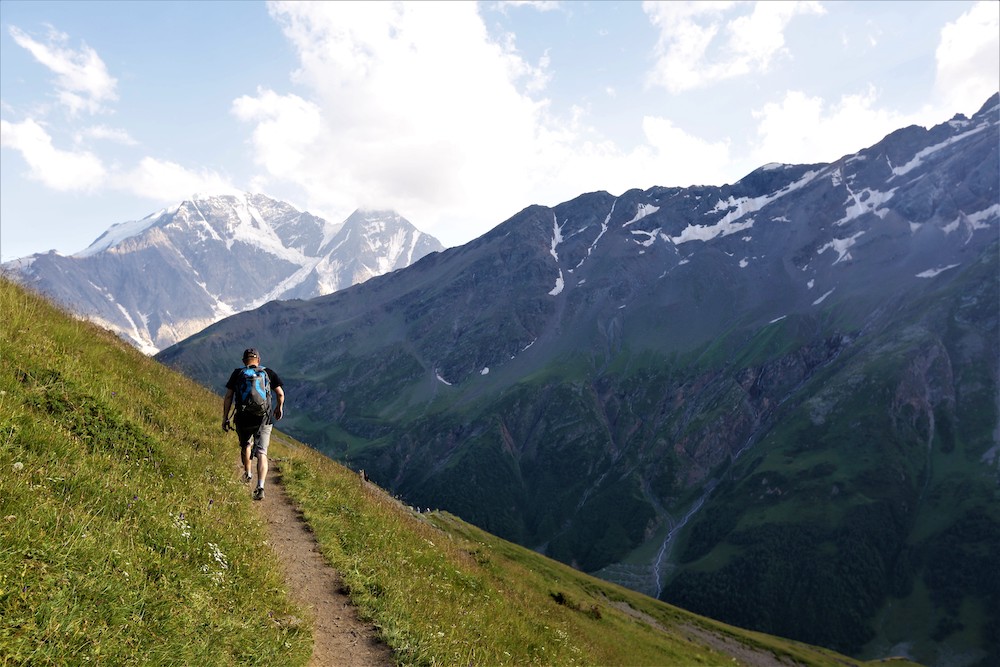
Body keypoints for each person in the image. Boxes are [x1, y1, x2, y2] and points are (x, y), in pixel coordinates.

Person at [222, 348, 285, 500]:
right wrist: (279, 408)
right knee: (262, 452)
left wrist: (225, 417)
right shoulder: (268, 372)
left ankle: (248, 473)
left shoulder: (237, 373)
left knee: (246, 445)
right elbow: (280, 393)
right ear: (259, 360)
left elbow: (229, 396)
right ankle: (261, 486)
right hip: (264, 417)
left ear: (244, 361)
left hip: (243, 417)